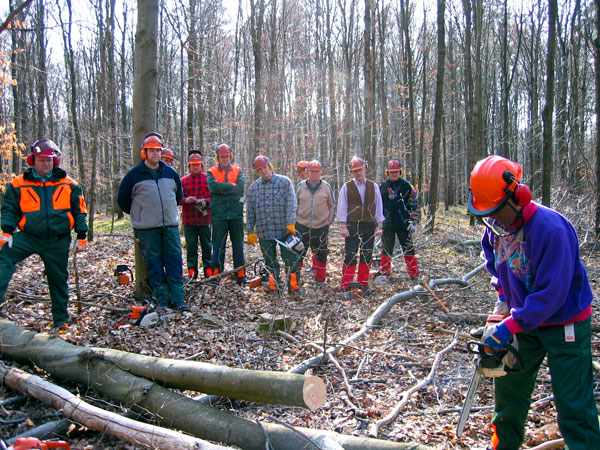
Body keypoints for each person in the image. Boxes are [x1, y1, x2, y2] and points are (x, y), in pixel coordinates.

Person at [468, 155, 600, 450]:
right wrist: (501, 306)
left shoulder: (550, 229)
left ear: (518, 195)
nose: (494, 218)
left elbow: (551, 295)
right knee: (509, 390)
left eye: (498, 210)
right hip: (522, 320)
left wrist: (509, 326)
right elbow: (496, 267)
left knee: (573, 403)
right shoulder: (494, 228)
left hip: (564, 320)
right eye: (488, 212)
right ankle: (504, 445)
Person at [0, 139, 88, 330]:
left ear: (55, 161)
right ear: (33, 160)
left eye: (49, 160)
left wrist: (82, 235)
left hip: (58, 239)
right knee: (4, 256)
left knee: (58, 279)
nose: (46, 164)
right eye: (41, 160)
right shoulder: (18, 184)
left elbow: (80, 210)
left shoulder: (69, 185)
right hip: (29, 236)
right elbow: (9, 209)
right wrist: (7, 232)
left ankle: (61, 319)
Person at [117, 132, 190, 311]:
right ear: (145, 152)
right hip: (147, 229)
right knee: (155, 265)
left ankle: (178, 299)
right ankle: (161, 300)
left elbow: (178, 195)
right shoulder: (134, 176)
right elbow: (123, 200)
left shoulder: (171, 173)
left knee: (174, 262)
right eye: (151, 150)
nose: (155, 154)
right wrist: (140, 215)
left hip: (170, 226)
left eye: (158, 150)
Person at [246, 155, 302, 295]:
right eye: (259, 169)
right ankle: (273, 286)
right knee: (269, 261)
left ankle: (294, 287)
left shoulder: (284, 182)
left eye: (264, 167)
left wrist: (290, 222)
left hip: (284, 231)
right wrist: (250, 231)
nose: (263, 171)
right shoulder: (253, 188)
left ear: (269, 166)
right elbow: (250, 211)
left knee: (291, 260)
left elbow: (291, 203)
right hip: (264, 231)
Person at [337, 156, 384, 299]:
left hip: (369, 225)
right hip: (352, 224)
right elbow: (342, 207)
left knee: (367, 254)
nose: (358, 173)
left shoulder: (373, 186)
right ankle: (346, 285)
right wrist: (343, 226)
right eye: (355, 171)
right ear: (351, 172)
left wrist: (379, 225)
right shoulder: (347, 187)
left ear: (365, 169)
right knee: (350, 255)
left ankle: (363, 284)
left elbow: (378, 206)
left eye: (360, 169)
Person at [206, 143, 247, 285]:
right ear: (218, 157)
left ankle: (241, 275)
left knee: (238, 246)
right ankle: (216, 276)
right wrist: (231, 186)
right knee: (218, 246)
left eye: (227, 156)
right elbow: (213, 187)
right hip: (219, 215)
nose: (225, 159)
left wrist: (222, 189)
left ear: (231, 156)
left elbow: (240, 188)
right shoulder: (211, 171)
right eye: (222, 156)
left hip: (236, 215)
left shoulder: (238, 170)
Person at [295, 159, 335, 285]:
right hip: (302, 226)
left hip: (321, 226)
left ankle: (320, 279)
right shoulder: (300, 186)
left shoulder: (326, 187)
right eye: (312, 171)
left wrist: (330, 220)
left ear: (321, 172)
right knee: (298, 253)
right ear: (307, 172)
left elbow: (332, 205)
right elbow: (294, 205)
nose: (314, 174)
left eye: (317, 171)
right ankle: (295, 279)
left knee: (321, 253)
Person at [378, 159, 420, 280]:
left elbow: (414, 205)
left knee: (408, 248)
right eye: (391, 172)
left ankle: (414, 274)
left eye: (396, 171)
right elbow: (378, 205)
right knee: (386, 248)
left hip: (404, 223)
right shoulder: (383, 187)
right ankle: (385, 273)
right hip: (387, 223)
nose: (394, 174)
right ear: (387, 173)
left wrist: (413, 221)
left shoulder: (407, 186)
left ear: (400, 172)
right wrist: (378, 222)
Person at [180, 151, 211, 279]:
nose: (195, 167)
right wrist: (186, 200)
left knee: (207, 246)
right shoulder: (183, 181)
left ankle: (208, 270)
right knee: (191, 247)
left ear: (202, 165)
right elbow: (176, 198)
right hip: (189, 221)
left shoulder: (208, 179)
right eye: (193, 165)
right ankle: (192, 272)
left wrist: (205, 202)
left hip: (204, 220)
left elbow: (214, 198)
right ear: (189, 166)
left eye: (198, 164)